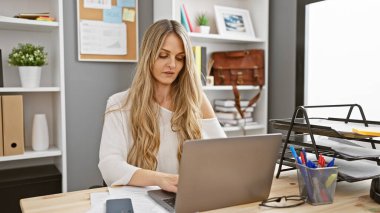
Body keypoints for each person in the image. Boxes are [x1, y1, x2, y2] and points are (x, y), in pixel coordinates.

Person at [98, 19, 226, 193]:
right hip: (141, 199)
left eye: (180, 58)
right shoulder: (119, 104)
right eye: (163, 55)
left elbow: (224, 155)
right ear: (148, 55)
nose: (172, 65)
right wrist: (160, 180)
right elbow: (109, 166)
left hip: (187, 198)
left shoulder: (197, 100)